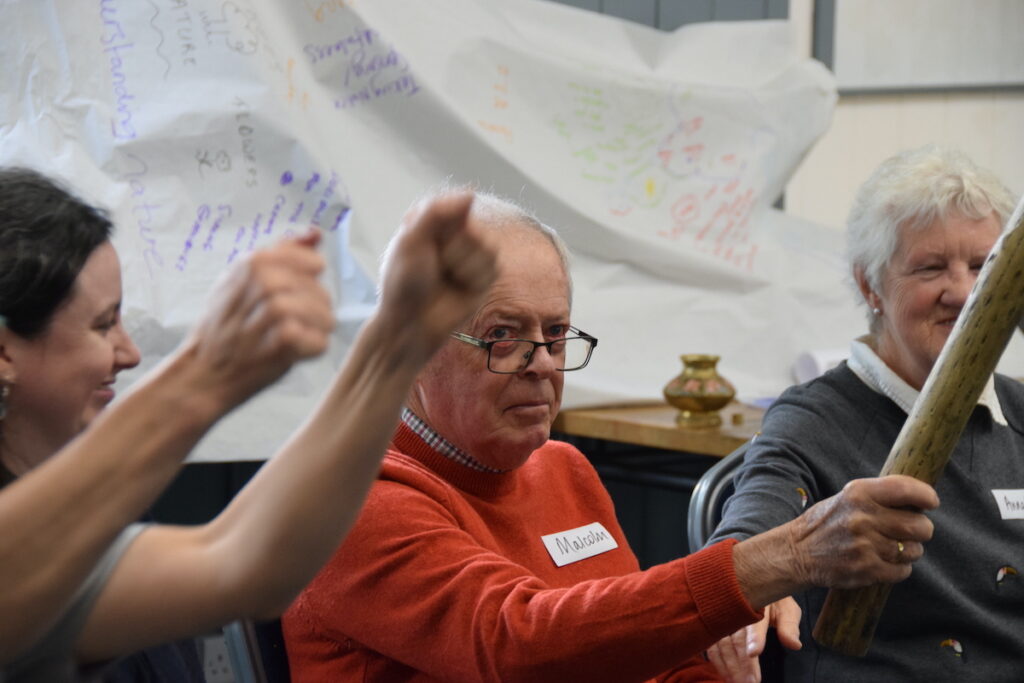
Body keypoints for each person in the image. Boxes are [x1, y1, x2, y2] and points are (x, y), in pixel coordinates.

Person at [283, 191, 940, 683]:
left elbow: (642, 659)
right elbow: (518, 643)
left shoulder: (561, 469)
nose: (543, 362)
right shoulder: (351, 504)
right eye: (502, 335)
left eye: (556, 333)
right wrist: (782, 558)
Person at [0, 167, 497, 680]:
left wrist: (397, 343)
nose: (128, 353)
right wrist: (204, 372)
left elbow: (247, 563)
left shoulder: (73, 542)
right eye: (103, 324)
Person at [706, 145, 1023, 682]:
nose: (964, 292)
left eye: (982, 267)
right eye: (930, 268)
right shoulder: (815, 420)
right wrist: (753, 580)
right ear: (868, 284)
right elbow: (748, 531)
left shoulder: (1018, 411)